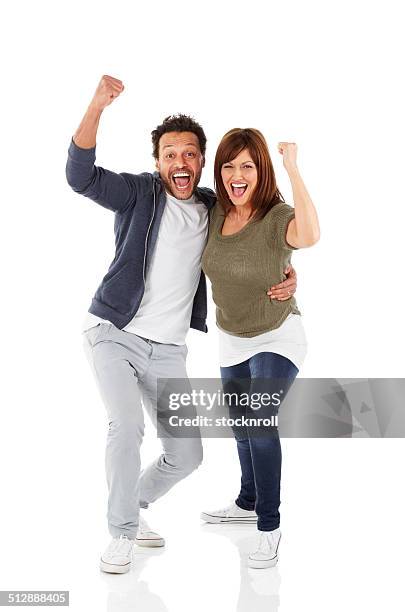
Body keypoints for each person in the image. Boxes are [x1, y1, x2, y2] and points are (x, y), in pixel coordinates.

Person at [65, 75, 298, 574]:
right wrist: (97, 105)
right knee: (125, 426)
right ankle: (121, 532)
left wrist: (288, 274)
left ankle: (133, 507)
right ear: (158, 162)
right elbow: (79, 176)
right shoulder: (136, 194)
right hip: (114, 335)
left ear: (201, 160)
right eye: (170, 154)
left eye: (190, 154)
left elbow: (261, 235)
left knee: (187, 455)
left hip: (169, 351)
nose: (180, 163)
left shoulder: (215, 207)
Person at [200, 128, 320, 568]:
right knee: (239, 422)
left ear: (261, 171)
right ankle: (247, 501)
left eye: (247, 165)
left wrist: (293, 167)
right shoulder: (214, 211)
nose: (237, 174)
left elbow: (308, 236)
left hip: (278, 333)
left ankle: (268, 526)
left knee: (258, 417)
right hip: (232, 336)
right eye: (229, 165)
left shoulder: (275, 216)